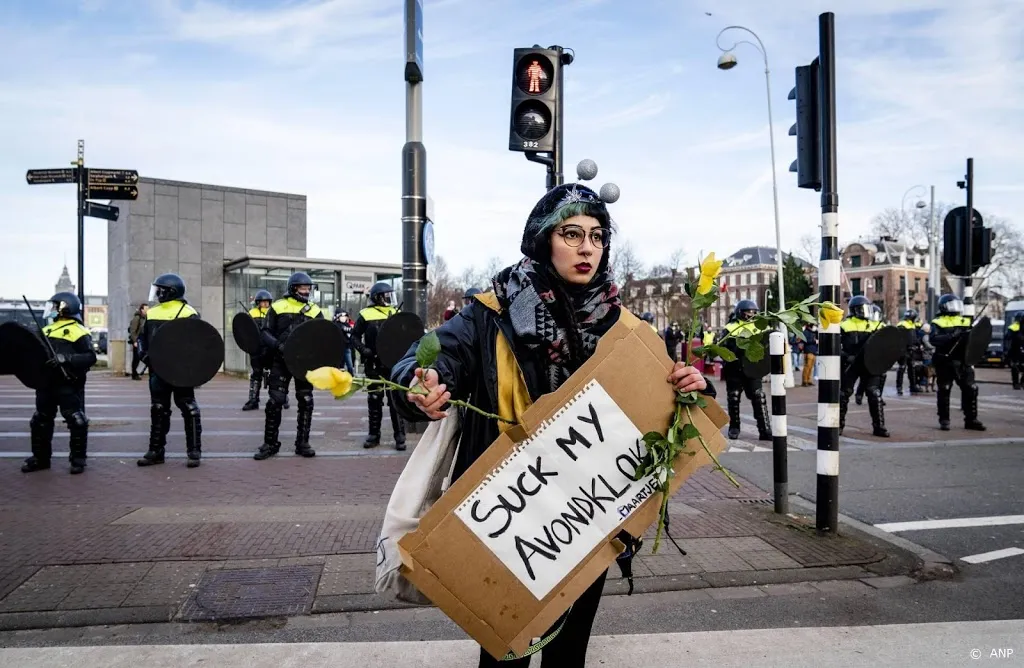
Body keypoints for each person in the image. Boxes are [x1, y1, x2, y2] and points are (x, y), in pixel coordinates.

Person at [388, 181, 715, 668]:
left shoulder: (624, 328)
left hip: (587, 515)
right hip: (509, 517)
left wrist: (691, 387)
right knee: (505, 648)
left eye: (598, 236)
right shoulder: (489, 313)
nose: (587, 247)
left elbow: (667, 403)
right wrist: (421, 385)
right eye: (571, 233)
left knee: (569, 653)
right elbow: (428, 361)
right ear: (544, 240)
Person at [22, 292, 97, 475]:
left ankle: (78, 460)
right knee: (40, 420)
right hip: (45, 383)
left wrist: (66, 358)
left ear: (65, 307)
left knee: (76, 420)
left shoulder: (78, 331)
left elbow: (90, 357)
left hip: (67, 383)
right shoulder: (46, 330)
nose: (52, 309)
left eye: (56, 306)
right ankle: (40, 458)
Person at [137, 273, 204, 468]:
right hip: (157, 371)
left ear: (170, 291)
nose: (157, 293)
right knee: (158, 409)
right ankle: (156, 451)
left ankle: (194, 451)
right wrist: (144, 355)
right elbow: (142, 339)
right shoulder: (153, 313)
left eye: (160, 289)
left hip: (180, 370)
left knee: (188, 407)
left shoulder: (188, 312)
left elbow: (198, 343)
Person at [254, 272, 322, 460]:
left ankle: (303, 443)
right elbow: (265, 333)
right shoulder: (277, 307)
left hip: (304, 363)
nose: (307, 291)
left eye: (309, 288)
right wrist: (279, 345)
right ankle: (270, 444)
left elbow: (322, 336)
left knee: (306, 400)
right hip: (280, 360)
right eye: (303, 287)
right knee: (275, 401)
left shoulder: (315, 310)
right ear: (293, 288)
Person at [353, 282, 406, 450]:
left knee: (395, 400)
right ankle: (374, 435)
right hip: (373, 364)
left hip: (393, 365)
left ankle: (400, 436)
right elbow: (354, 337)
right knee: (374, 400)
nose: (390, 299)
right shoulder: (365, 314)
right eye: (386, 296)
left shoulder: (395, 313)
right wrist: (364, 350)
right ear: (377, 298)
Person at [929, 294, 986, 431]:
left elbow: (975, 339)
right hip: (945, 361)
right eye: (951, 304)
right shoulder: (937, 322)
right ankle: (944, 419)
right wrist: (952, 335)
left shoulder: (965, 321)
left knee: (971, 389)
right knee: (944, 389)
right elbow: (934, 340)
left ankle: (971, 419)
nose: (955, 307)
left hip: (963, 361)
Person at [718, 299, 772, 441]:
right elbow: (722, 349)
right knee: (734, 398)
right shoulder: (730, 328)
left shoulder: (761, 327)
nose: (751, 315)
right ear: (740, 313)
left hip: (753, 370)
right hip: (734, 369)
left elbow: (767, 347)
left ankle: (765, 429)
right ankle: (734, 428)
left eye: (753, 312)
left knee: (759, 397)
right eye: (748, 312)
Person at [839, 296, 888, 437]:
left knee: (874, 393)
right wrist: (846, 356)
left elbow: (886, 345)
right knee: (844, 394)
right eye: (862, 309)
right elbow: (835, 347)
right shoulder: (844, 326)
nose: (865, 312)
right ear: (854, 310)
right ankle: (838, 425)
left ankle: (879, 426)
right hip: (851, 365)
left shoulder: (875, 326)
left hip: (870, 365)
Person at [242, 290, 274, 411]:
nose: (264, 304)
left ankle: (279, 398)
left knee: (275, 374)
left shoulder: (273, 313)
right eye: (262, 302)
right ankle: (253, 400)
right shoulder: (252, 313)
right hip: (256, 349)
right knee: (256, 374)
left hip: (270, 348)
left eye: (266, 302)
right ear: (258, 302)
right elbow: (247, 330)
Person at [895, 308, 922, 396]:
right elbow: (900, 338)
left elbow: (913, 337)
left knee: (912, 368)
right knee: (902, 368)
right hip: (903, 350)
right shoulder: (902, 324)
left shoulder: (912, 324)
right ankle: (899, 387)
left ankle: (913, 386)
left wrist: (917, 344)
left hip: (911, 350)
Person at [127, 303, 147, 380]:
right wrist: (135, 341)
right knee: (136, 358)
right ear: (142, 310)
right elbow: (133, 331)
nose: (147, 310)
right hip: (137, 341)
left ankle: (137, 373)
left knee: (141, 357)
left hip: (142, 341)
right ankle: (134, 374)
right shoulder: (137, 318)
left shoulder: (145, 318)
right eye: (146, 309)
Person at [334, 310, 356, 374]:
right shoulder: (336, 324)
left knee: (350, 366)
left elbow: (352, 331)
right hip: (338, 349)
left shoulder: (347, 324)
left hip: (347, 348)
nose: (344, 317)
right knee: (338, 366)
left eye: (345, 316)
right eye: (342, 316)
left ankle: (351, 377)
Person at [1006, 313, 1023, 390]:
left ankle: (1021, 382)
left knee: (1016, 367)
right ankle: (1016, 383)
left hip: (1020, 349)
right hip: (1014, 350)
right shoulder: (1013, 327)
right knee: (1015, 367)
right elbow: (1008, 338)